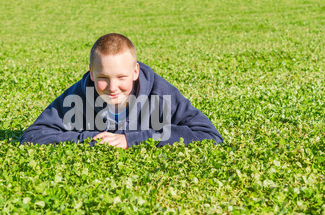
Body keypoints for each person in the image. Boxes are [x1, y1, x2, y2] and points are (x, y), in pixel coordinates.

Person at [20, 33, 223, 149]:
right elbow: (33, 135)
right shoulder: (77, 96)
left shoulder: (161, 94)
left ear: (135, 71)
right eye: (103, 78)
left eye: (121, 77)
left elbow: (209, 135)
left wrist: (130, 139)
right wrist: (93, 139)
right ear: (91, 73)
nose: (113, 87)